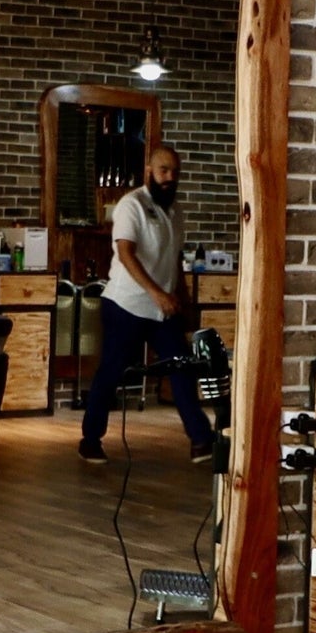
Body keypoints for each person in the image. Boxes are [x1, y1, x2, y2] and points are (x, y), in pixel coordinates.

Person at [79, 144, 222, 465]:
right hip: (125, 304)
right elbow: (126, 252)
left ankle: (201, 440)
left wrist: (183, 301)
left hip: (163, 309)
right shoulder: (132, 205)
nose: (170, 177)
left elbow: (173, 262)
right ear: (149, 172)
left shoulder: (175, 212)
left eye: (175, 172)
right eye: (163, 170)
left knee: (183, 367)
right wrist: (156, 292)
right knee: (111, 372)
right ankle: (90, 439)